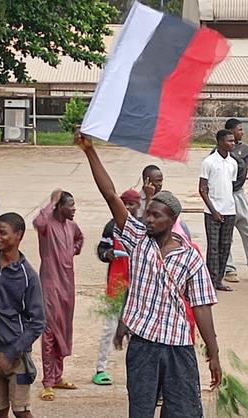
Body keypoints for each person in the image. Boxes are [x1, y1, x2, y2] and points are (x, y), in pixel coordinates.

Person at [75, 130, 222, 417]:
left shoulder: (190, 256)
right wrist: (89, 150)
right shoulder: (137, 238)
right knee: (141, 410)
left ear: (172, 220)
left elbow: (202, 307)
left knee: (184, 411)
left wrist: (213, 352)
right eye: (148, 213)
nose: (149, 219)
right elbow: (109, 194)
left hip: (178, 346)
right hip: (143, 344)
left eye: (157, 216)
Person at [0, 212, 45, 418]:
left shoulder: (28, 276)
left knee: (21, 411)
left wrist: (12, 353)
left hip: (17, 357)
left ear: (18, 235)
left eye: (3, 233)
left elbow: (37, 323)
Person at [33, 189, 83, 401]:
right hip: (50, 284)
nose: (74, 209)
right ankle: (47, 381)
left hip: (68, 284)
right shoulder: (48, 226)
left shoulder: (71, 226)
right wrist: (51, 201)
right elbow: (38, 222)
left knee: (63, 328)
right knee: (50, 331)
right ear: (59, 207)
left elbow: (80, 239)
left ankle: (58, 375)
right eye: (70, 205)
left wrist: (73, 249)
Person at [93, 189, 140, 386]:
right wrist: (108, 254)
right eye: (125, 204)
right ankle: (101, 368)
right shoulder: (111, 227)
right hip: (116, 284)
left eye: (132, 204)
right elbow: (101, 250)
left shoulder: (142, 227)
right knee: (109, 327)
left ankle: (138, 371)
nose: (128, 208)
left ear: (138, 206)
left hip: (138, 287)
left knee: (135, 330)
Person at [219, 119, 248, 284]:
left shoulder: (244, 150)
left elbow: (243, 170)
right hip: (224, 195)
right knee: (226, 234)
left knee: (247, 230)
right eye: (239, 129)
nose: (242, 132)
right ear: (229, 131)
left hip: (238, 193)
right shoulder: (217, 153)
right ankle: (229, 269)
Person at [199, 129, 238, 292]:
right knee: (213, 247)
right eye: (229, 141)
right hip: (212, 211)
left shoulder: (233, 163)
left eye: (233, 141)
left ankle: (219, 280)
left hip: (229, 210)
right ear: (220, 142)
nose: (233, 143)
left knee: (225, 246)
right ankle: (211, 281)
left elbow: (231, 185)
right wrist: (213, 210)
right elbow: (202, 189)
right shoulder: (209, 162)